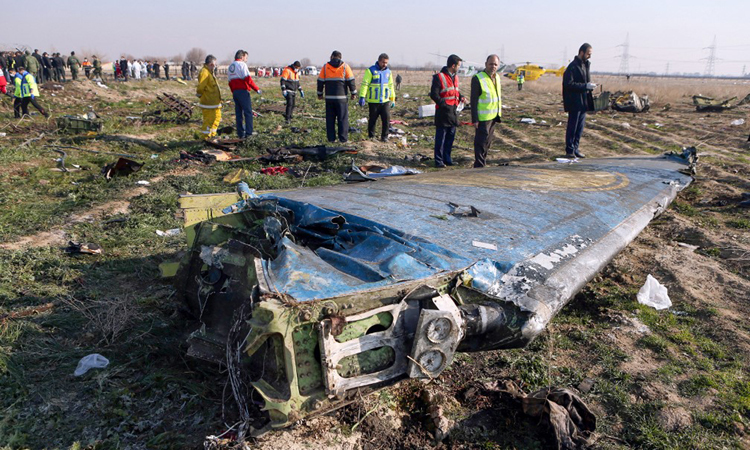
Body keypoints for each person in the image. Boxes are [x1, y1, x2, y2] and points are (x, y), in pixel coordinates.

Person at [429, 54, 465, 168]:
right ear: (453, 65)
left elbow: (454, 91)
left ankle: (447, 159)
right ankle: (438, 161)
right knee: (441, 138)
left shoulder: (455, 77)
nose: (459, 67)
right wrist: (443, 105)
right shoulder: (439, 77)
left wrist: (461, 97)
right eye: (458, 65)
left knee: (450, 137)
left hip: (453, 112)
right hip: (443, 113)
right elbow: (434, 94)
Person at [562, 43, 596, 158]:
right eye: (588, 54)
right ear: (581, 52)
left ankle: (575, 148)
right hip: (574, 101)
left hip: (583, 101)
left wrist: (589, 87)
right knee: (573, 126)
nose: (589, 56)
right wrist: (585, 86)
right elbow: (568, 84)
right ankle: (569, 150)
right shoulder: (573, 66)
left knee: (579, 127)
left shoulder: (586, 65)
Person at [470, 55, 503, 168]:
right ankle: (479, 165)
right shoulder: (478, 78)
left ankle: (482, 162)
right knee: (480, 143)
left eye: (495, 64)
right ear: (485, 64)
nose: (493, 66)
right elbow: (473, 100)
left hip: (493, 115)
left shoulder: (497, 78)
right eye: (491, 64)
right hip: (483, 118)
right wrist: (475, 119)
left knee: (487, 143)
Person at [317, 50, 356, 143]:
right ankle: (343, 139)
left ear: (332, 56)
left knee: (330, 120)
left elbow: (320, 81)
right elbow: (351, 81)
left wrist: (320, 94)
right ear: (340, 57)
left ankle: (331, 139)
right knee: (342, 119)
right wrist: (353, 93)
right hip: (341, 98)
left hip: (329, 98)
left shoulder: (325, 67)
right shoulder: (345, 67)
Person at [358, 53, 395, 142]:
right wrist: (362, 96)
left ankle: (384, 137)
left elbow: (391, 86)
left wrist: (392, 99)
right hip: (373, 101)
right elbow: (365, 84)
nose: (385, 64)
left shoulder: (388, 72)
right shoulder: (371, 71)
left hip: (385, 101)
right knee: (373, 119)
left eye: (386, 63)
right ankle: (371, 137)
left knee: (386, 119)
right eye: (383, 62)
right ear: (379, 61)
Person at [228, 50, 262, 138]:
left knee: (238, 113)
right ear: (242, 57)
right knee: (248, 112)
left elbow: (230, 82)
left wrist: (234, 92)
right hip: (243, 91)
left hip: (235, 92)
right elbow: (248, 79)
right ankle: (249, 133)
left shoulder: (231, 66)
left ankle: (240, 133)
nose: (246, 60)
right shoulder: (242, 65)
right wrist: (256, 89)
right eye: (246, 57)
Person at [197, 55, 222, 139]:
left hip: (214, 102)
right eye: (214, 65)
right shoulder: (204, 72)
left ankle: (212, 135)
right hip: (208, 102)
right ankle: (205, 138)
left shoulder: (209, 72)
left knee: (217, 118)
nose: (215, 67)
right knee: (209, 120)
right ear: (211, 64)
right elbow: (201, 87)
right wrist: (200, 95)